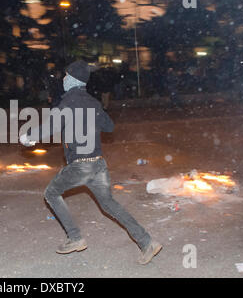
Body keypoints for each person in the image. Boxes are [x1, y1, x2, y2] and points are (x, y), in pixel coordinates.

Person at [19, 60, 162, 265]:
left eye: (67, 76)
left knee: (51, 193)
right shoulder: (93, 102)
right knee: (109, 204)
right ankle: (147, 241)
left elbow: (51, 125)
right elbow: (110, 126)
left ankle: (75, 237)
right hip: (98, 165)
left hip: (81, 165)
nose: (64, 79)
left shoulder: (68, 102)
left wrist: (29, 137)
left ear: (74, 80)